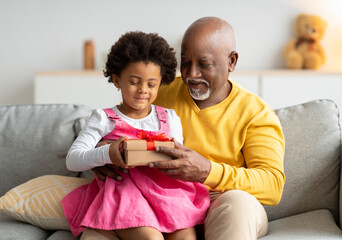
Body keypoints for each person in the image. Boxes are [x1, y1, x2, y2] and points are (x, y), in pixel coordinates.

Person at [90, 16, 286, 240]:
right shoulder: (159, 91)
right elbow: (118, 124)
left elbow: (272, 184)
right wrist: (102, 152)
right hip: (161, 198)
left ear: (231, 61)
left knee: (238, 203)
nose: (191, 74)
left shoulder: (256, 112)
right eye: (185, 62)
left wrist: (208, 171)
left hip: (221, 202)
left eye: (204, 64)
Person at [61, 31, 210, 240]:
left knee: (186, 237)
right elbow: (73, 160)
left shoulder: (169, 117)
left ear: (160, 84)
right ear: (116, 80)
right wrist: (108, 153)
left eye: (151, 84)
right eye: (134, 82)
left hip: (167, 195)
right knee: (151, 238)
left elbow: (179, 154)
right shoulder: (104, 118)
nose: (143, 90)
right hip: (125, 195)